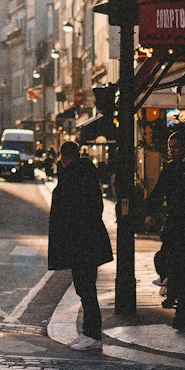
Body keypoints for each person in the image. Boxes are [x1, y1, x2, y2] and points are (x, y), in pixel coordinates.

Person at [47, 139, 113, 351]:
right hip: (89, 240)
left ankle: (92, 333)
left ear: (64, 158)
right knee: (86, 287)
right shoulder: (87, 174)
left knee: (85, 288)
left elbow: (66, 210)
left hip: (80, 242)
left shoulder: (72, 177)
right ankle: (89, 332)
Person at [144, 126, 185, 330]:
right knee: (169, 261)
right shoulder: (170, 169)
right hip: (175, 224)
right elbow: (158, 192)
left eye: (174, 147)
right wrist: (149, 213)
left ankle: (182, 308)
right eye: (169, 147)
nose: (171, 151)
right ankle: (178, 299)